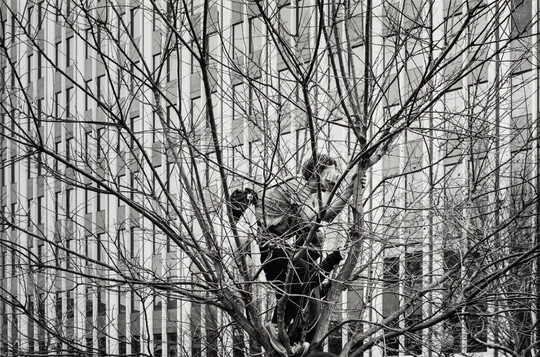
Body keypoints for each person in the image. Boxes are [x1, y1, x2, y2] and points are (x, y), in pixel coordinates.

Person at [254, 153, 358, 356]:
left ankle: (283, 335)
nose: (332, 178)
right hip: (270, 247)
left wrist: (348, 191)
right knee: (300, 271)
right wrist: (340, 188)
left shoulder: (307, 197)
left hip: (278, 247)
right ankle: (276, 325)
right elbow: (314, 219)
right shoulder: (296, 185)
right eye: (328, 173)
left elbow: (324, 216)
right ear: (316, 172)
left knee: (304, 278)